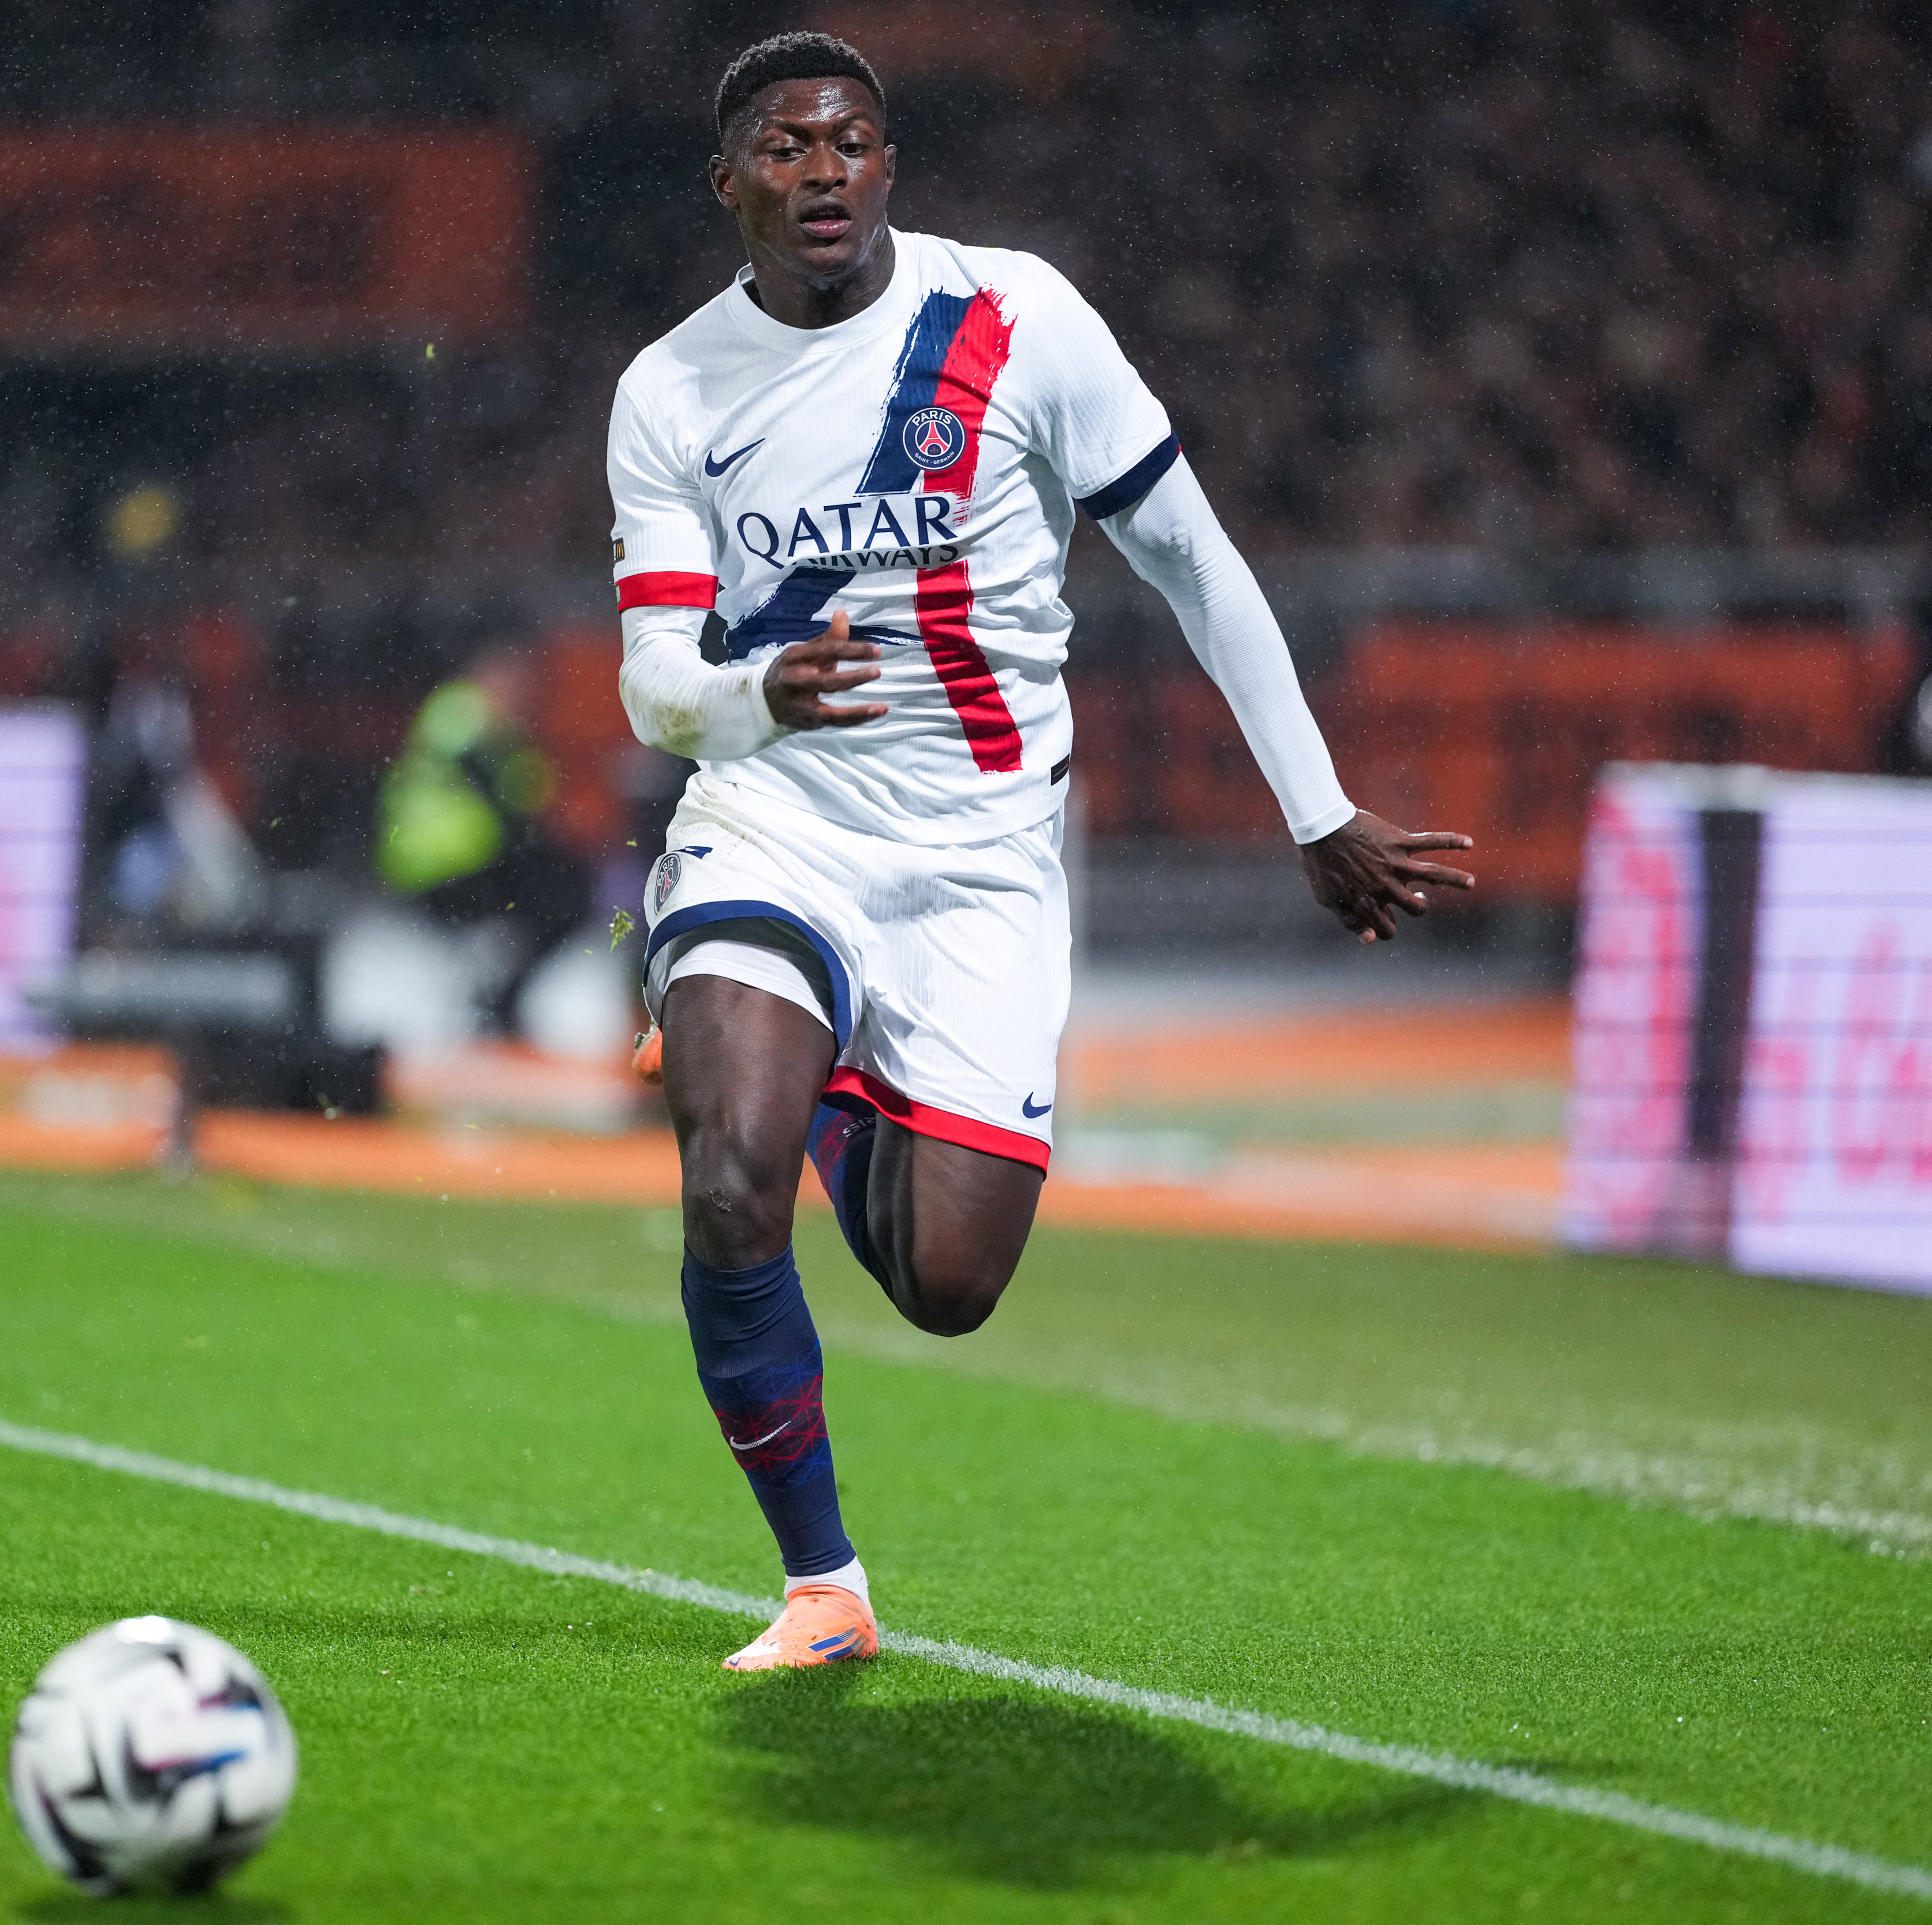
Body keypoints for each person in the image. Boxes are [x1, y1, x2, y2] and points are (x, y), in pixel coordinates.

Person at [609, 35, 1476, 1670]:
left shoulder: (1018, 323)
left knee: (948, 1284)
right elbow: (658, 688)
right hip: (774, 821)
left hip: (988, 859)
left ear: (890, 166)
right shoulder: (671, 391)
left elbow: (1196, 562)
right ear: (727, 182)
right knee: (728, 1181)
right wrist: (746, 693)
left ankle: (833, 1080)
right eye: (785, 148)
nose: (821, 173)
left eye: (850, 142)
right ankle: (824, 1587)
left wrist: (1319, 807)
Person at [377, 649, 592, 1039]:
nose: (522, 695)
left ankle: (500, 998)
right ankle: (502, 1001)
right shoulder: (461, 713)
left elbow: (527, 792)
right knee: (567, 897)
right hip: (446, 867)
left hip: (457, 864)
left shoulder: (472, 721)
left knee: (564, 895)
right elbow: (516, 798)